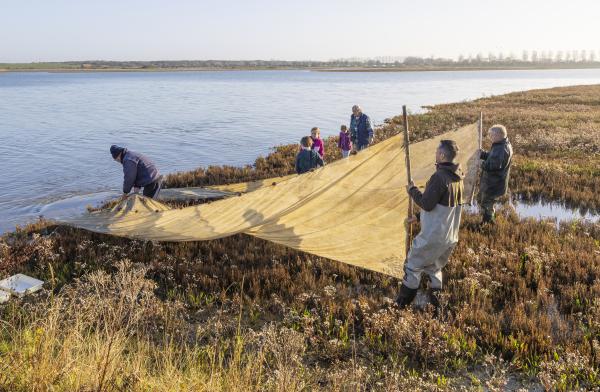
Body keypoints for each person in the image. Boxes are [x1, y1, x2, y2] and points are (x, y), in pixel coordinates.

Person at [396, 140, 464, 311]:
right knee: (434, 268)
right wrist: (418, 217)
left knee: (412, 266)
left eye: (436, 152)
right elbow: (443, 208)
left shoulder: (439, 177)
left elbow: (427, 204)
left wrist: (412, 190)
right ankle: (438, 308)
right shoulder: (459, 176)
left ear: (442, 155)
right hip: (450, 236)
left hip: (433, 237)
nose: (435, 154)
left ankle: (401, 306)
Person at [478, 125, 513, 224]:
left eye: (491, 135)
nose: (489, 137)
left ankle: (488, 224)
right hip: (495, 183)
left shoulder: (501, 149)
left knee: (487, 204)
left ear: (498, 135)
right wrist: (483, 154)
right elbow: (492, 157)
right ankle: (488, 220)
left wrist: (481, 164)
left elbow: (494, 166)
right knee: (487, 203)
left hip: (494, 184)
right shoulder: (502, 145)